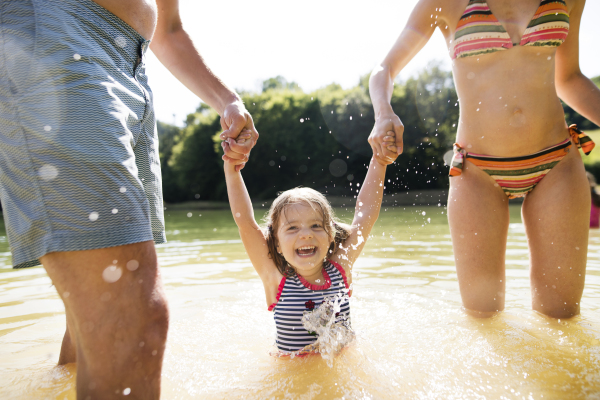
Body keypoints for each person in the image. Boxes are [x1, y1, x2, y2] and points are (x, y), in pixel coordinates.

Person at [0, 0, 256, 398]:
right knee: (131, 317)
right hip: (56, 31)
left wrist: (226, 99)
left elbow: (168, 30)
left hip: (130, 66)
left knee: (94, 316)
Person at [368, 0, 600, 319]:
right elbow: (385, 70)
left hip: (557, 161)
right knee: (482, 321)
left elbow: (569, 78)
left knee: (562, 320)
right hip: (477, 171)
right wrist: (383, 113)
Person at [222, 129, 397, 355]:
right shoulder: (276, 278)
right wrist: (232, 172)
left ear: (331, 234)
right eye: (292, 228)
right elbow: (245, 223)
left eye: (316, 226)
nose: (305, 234)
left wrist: (379, 162)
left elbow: (365, 217)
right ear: (275, 242)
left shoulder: (340, 268)